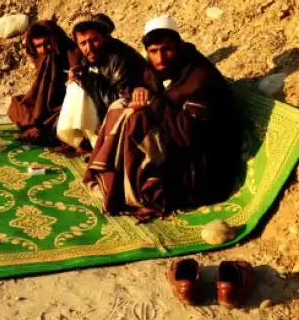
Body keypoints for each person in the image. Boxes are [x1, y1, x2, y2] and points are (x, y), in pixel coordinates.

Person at [83, 15, 239, 221]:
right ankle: (116, 180)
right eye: (153, 52)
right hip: (182, 151)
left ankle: (137, 192)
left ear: (179, 46)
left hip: (202, 173)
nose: (160, 58)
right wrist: (139, 90)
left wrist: (152, 101)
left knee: (136, 120)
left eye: (166, 49)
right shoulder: (161, 68)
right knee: (120, 107)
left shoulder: (200, 78)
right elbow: (144, 87)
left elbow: (188, 135)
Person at [55, 14, 147, 154]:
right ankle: (85, 141)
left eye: (94, 41)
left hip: (131, 113)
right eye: (83, 43)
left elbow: (120, 102)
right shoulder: (91, 56)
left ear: (105, 38)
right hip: (106, 109)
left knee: (79, 86)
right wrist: (79, 76)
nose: (89, 48)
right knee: (75, 85)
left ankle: (98, 144)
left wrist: (89, 80)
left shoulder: (119, 58)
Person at [8, 20, 77, 145]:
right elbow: (40, 89)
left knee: (61, 122)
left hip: (63, 105)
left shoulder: (71, 53)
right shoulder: (43, 57)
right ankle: (36, 127)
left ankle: (38, 129)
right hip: (43, 104)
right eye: (38, 46)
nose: (43, 50)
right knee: (17, 103)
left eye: (47, 44)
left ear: (55, 40)